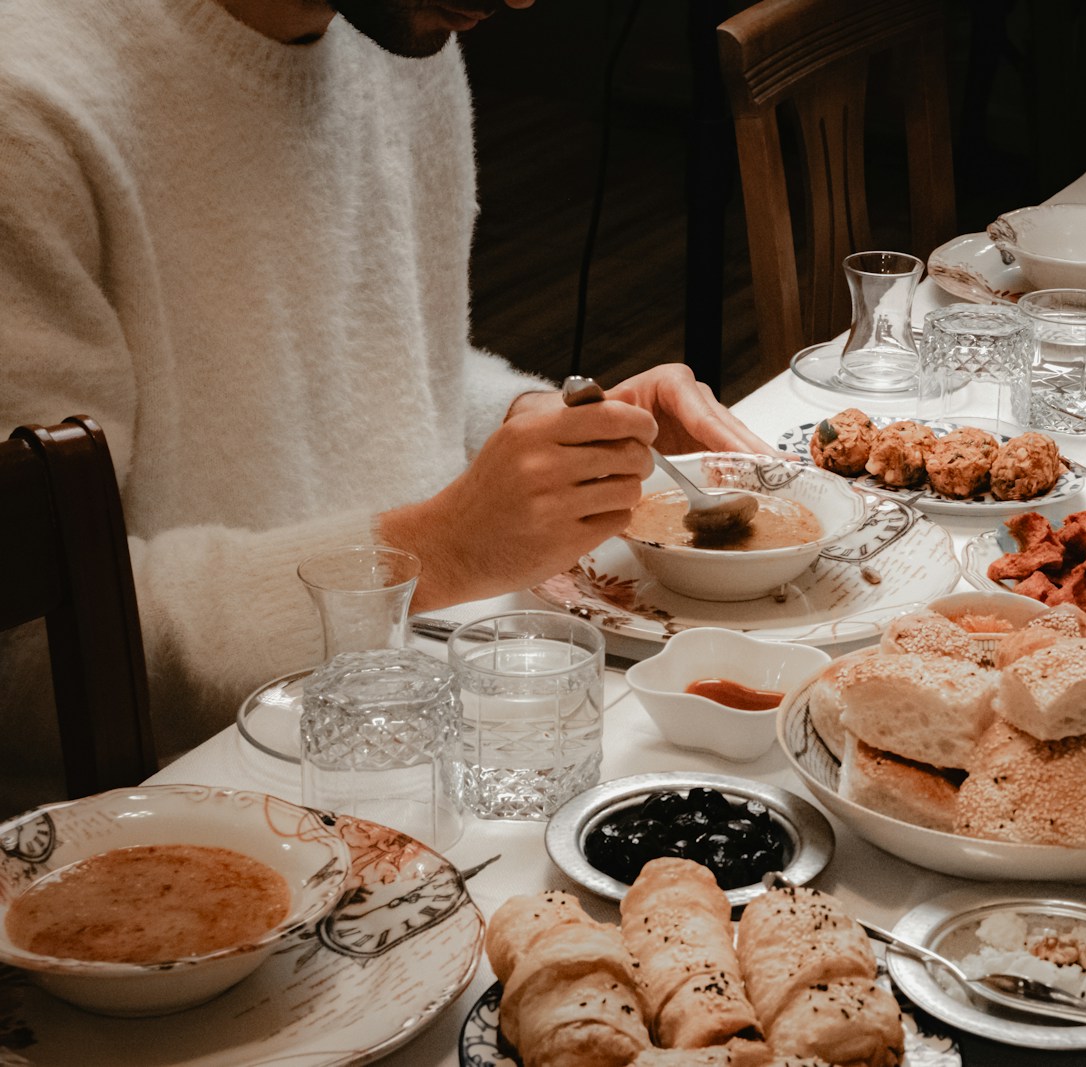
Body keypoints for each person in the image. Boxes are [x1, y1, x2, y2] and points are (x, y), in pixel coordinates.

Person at [0, 0, 768, 813]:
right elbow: (30, 655)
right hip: (169, 813)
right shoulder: (32, 106)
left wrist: (549, 426)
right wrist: (435, 552)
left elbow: (399, 362)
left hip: (407, 718)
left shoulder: (399, 31)